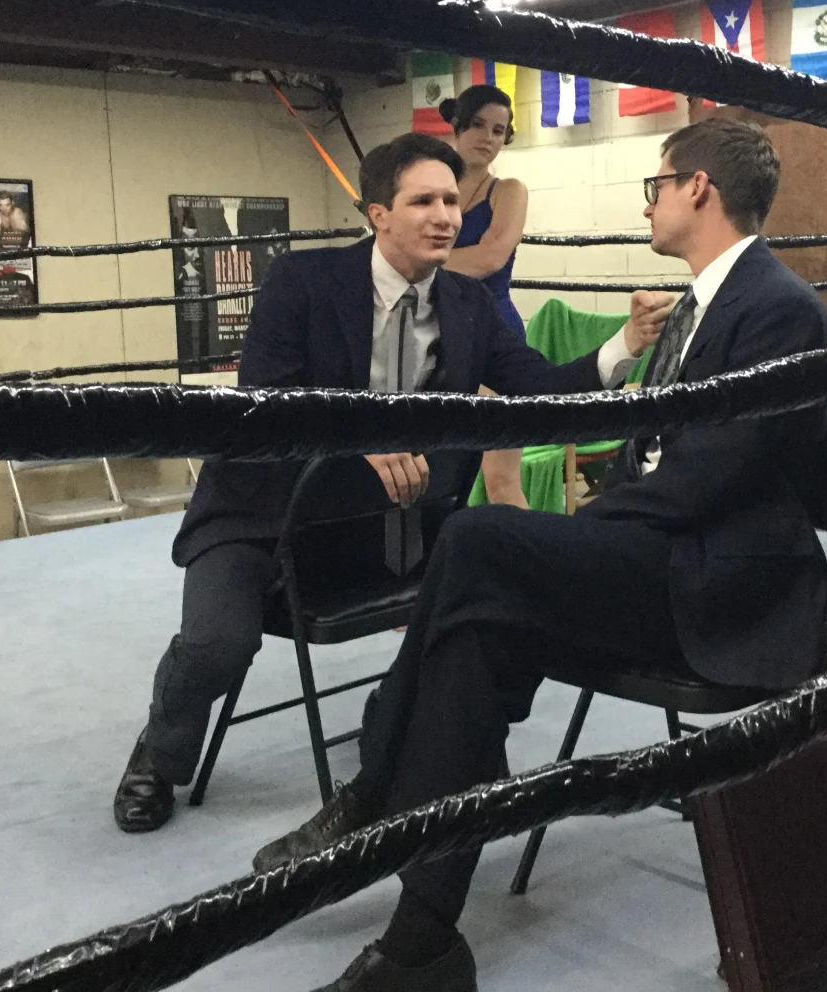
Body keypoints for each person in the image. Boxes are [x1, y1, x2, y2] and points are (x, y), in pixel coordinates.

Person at [253, 118, 827, 992]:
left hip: (718, 584)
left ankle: (379, 782)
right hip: (661, 553)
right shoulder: (700, 305)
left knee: (478, 537)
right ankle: (422, 946)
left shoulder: (779, 309)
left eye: (656, 185)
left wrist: (580, 526)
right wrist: (590, 516)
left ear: (698, 189)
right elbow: (649, 458)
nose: (648, 204)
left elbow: (705, 481)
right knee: (476, 638)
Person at [112, 132, 674, 835]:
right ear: (378, 213)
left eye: (451, 202)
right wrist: (358, 439)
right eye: (423, 201)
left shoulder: (468, 303)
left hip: (385, 523)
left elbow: (536, 388)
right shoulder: (301, 281)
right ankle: (159, 755)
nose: (445, 217)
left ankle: (393, 725)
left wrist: (625, 343)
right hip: (261, 511)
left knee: (481, 600)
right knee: (218, 645)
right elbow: (265, 402)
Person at [440, 85, 530, 509]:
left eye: (498, 130)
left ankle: (523, 553)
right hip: (437, 331)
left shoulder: (509, 190)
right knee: (434, 471)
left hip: (492, 329)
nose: (488, 138)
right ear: (457, 126)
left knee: (501, 479)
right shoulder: (435, 186)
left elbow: (491, 257)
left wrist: (418, 259)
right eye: (478, 125)